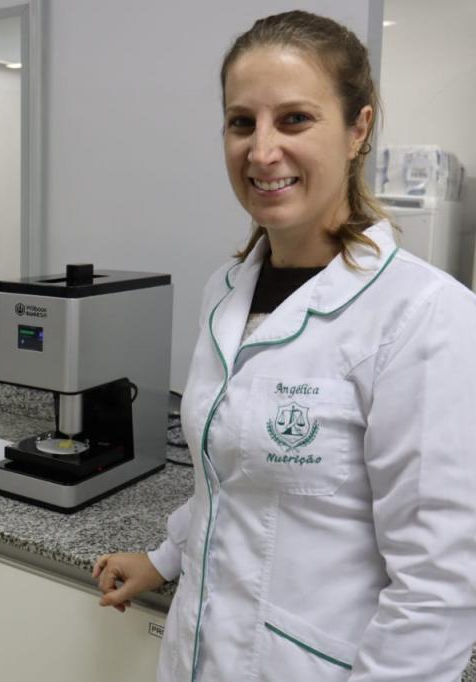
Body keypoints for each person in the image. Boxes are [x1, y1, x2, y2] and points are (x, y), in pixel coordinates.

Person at [92, 11, 476, 681]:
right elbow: (227, 477)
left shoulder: (425, 316)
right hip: (195, 656)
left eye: (294, 119)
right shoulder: (226, 289)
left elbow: (439, 588)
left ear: (358, 128)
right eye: (242, 122)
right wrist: (163, 558)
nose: (262, 150)